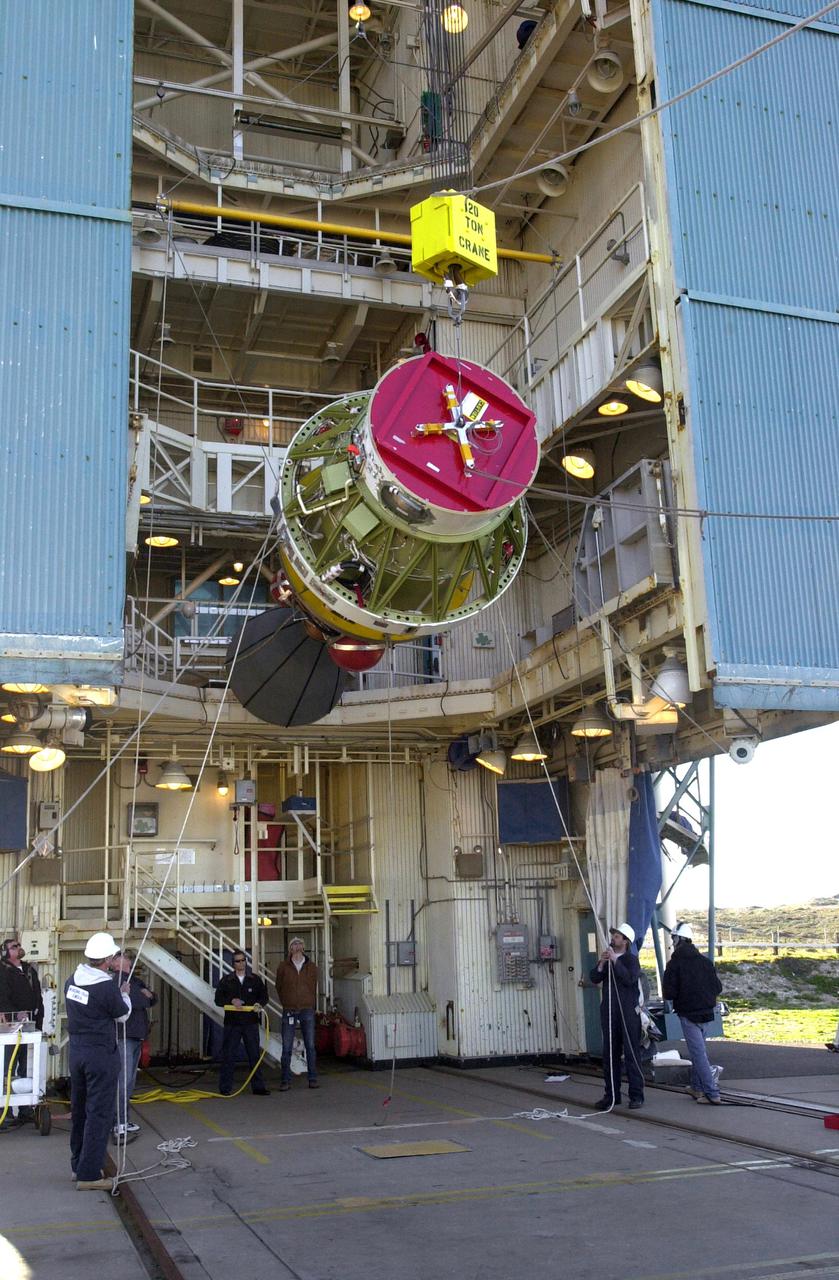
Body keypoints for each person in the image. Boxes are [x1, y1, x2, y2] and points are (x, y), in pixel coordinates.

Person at [65, 932, 131, 1191]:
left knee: (80, 1110)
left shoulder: (72, 980)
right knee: (99, 1114)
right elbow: (122, 1015)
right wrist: (123, 993)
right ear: (106, 960)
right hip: (100, 1056)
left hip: (77, 1053)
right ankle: (90, 1175)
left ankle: (78, 1166)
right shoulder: (106, 987)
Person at [662, 921, 723, 1104]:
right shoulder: (705, 962)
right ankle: (697, 1088)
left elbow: (669, 993)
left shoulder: (674, 964)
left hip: (688, 1014)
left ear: (679, 939)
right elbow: (717, 987)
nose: (672, 941)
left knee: (699, 1055)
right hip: (707, 1013)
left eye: (673, 937)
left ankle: (712, 1093)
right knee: (700, 1051)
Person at [590, 922, 645, 1110]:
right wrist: (602, 963)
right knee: (610, 1054)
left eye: (617, 936)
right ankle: (611, 1094)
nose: (613, 939)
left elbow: (629, 979)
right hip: (610, 1011)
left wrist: (615, 961)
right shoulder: (608, 959)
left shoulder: (631, 960)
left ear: (625, 941)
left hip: (628, 1013)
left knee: (631, 1054)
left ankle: (636, 1095)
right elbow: (594, 978)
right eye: (613, 936)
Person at [111, 949, 157, 1140]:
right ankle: (118, 1122)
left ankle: (123, 1119)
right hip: (124, 1036)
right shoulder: (116, 980)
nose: (129, 962)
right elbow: (139, 1000)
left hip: (135, 1035)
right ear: (114, 962)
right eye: (125, 959)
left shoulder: (133, 980)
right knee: (122, 1081)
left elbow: (152, 998)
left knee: (129, 1082)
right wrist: (143, 995)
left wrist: (147, 994)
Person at [214, 950, 270, 1096]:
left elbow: (264, 996)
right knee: (229, 1056)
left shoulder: (255, 980)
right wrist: (231, 1000)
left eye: (243, 960)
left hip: (250, 1023)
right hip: (232, 1024)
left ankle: (258, 1087)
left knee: (254, 1055)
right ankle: (225, 1088)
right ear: (233, 964)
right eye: (238, 961)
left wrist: (259, 1004)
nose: (241, 963)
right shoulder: (226, 981)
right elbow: (218, 999)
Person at [275, 937, 319, 1091]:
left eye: (300, 943)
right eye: (294, 944)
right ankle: (285, 1080)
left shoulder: (312, 967)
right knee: (286, 1047)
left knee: (310, 1045)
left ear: (304, 947)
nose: (298, 946)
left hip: (307, 1009)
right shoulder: (283, 967)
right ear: (290, 948)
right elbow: (278, 986)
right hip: (290, 1010)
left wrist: (310, 1002)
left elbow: (314, 985)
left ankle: (312, 1078)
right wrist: (287, 1002)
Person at [1, 938, 43, 1028]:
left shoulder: (29, 969)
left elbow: (38, 994)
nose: (19, 947)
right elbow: (2, 999)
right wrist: (15, 1015)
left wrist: (40, 1014)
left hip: (33, 1020)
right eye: (14, 947)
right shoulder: (3, 971)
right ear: (5, 953)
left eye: (19, 945)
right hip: (12, 1024)